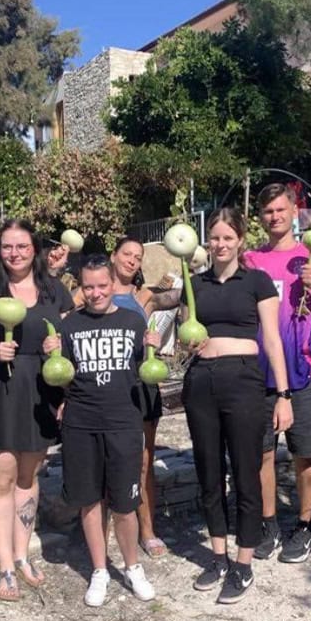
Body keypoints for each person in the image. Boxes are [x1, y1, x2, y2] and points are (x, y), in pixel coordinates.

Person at [182, 208, 293, 603]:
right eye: (214, 237)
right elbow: (186, 336)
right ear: (206, 242)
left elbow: (274, 341)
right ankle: (218, 557)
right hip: (200, 381)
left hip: (244, 379)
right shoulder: (193, 284)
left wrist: (283, 394)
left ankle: (243, 562)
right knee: (209, 472)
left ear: (241, 241)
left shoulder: (258, 282)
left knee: (246, 472)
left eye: (228, 237)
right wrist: (185, 343)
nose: (221, 244)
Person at [44, 255, 160, 606]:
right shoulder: (68, 326)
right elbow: (57, 377)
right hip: (81, 423)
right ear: (80, 287)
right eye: (88, 286)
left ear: (114, 284)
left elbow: (148, 371)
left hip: (123, 422)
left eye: (102, 286)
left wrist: (153, 348)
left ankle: (132, 566)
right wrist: (50, 354)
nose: (95, 293)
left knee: (125, 502)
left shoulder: (133, 321)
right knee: (89, 500)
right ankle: (99, 570)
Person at [0, 219, 75, 601]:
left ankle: (22, 555)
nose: (14, 253)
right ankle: (4, 566)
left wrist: (59, 350)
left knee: (27, 478)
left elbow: (69, 339)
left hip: (39, 390)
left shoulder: (53, 290)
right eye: (6, 247)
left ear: (35, 249)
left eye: (22, 246)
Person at [244, 183, 311, 563]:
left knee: (306, 454)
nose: (275, 217)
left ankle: (305, 523)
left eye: (281, 210)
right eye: (268, 212)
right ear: (261, 217)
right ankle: (268, 523)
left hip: (303, 371)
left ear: (294, 212)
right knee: (262, 454)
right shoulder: (250, 261)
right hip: (257, 374)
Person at [74, 237, 180, 559]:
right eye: (126, 254)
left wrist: (191, 272)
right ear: (113, 256)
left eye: (138, 256)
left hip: (139, 387)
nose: (132, 260)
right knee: (101, 465)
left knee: (143, 460)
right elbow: (65, 323)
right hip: (99, 390)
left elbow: (181, 295)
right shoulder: (87, 293)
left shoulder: (143, 295)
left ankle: (146, 530)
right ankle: (101, 536)